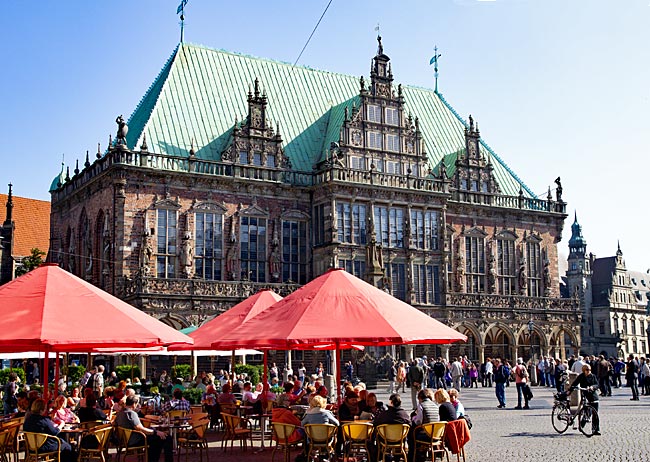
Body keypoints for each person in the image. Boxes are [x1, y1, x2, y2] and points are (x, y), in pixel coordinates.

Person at [116, 395, 173, 462]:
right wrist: (156, 432)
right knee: (166, 437)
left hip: (125, 439)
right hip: (135, 440)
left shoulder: (120, 413)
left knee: (156, 439)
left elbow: (114, 424)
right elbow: (140, 428)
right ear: (134, 404)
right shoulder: (131, 413)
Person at [568, 364, 600, 435]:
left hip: (593, 395)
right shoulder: (581, 376)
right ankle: (581, 425)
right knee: (587, 412)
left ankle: (596, 429)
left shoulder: (593, 376)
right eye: (587, 370)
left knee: (595, 414)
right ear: (584, 370)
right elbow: (575, 383)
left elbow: (597, 384)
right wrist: (570, 390)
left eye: (590, 370)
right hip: (585, 395)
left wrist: (592, 387)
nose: (589, 371)